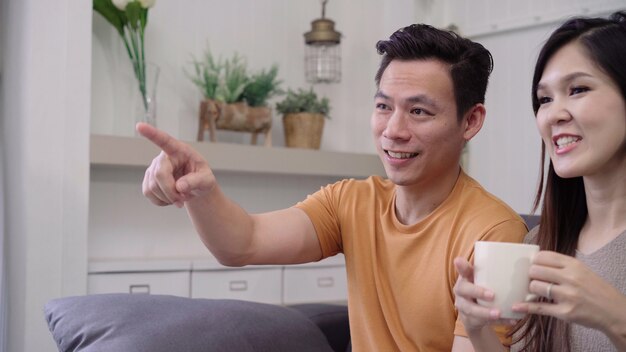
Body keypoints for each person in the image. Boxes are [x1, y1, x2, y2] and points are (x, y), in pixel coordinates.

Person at [138, 24, 528, 351]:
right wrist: (200, 192)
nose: (393, 130)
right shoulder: (351, 201)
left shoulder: (497, 235)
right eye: (383, 107)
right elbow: (243, 243)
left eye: (419, 111)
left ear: (471, 121)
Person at [453, 11, 626, 352]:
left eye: (578, 89)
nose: (554, 114)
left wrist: (615, 316)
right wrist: (476, 328)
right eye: (544, 99)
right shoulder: (541, 242)